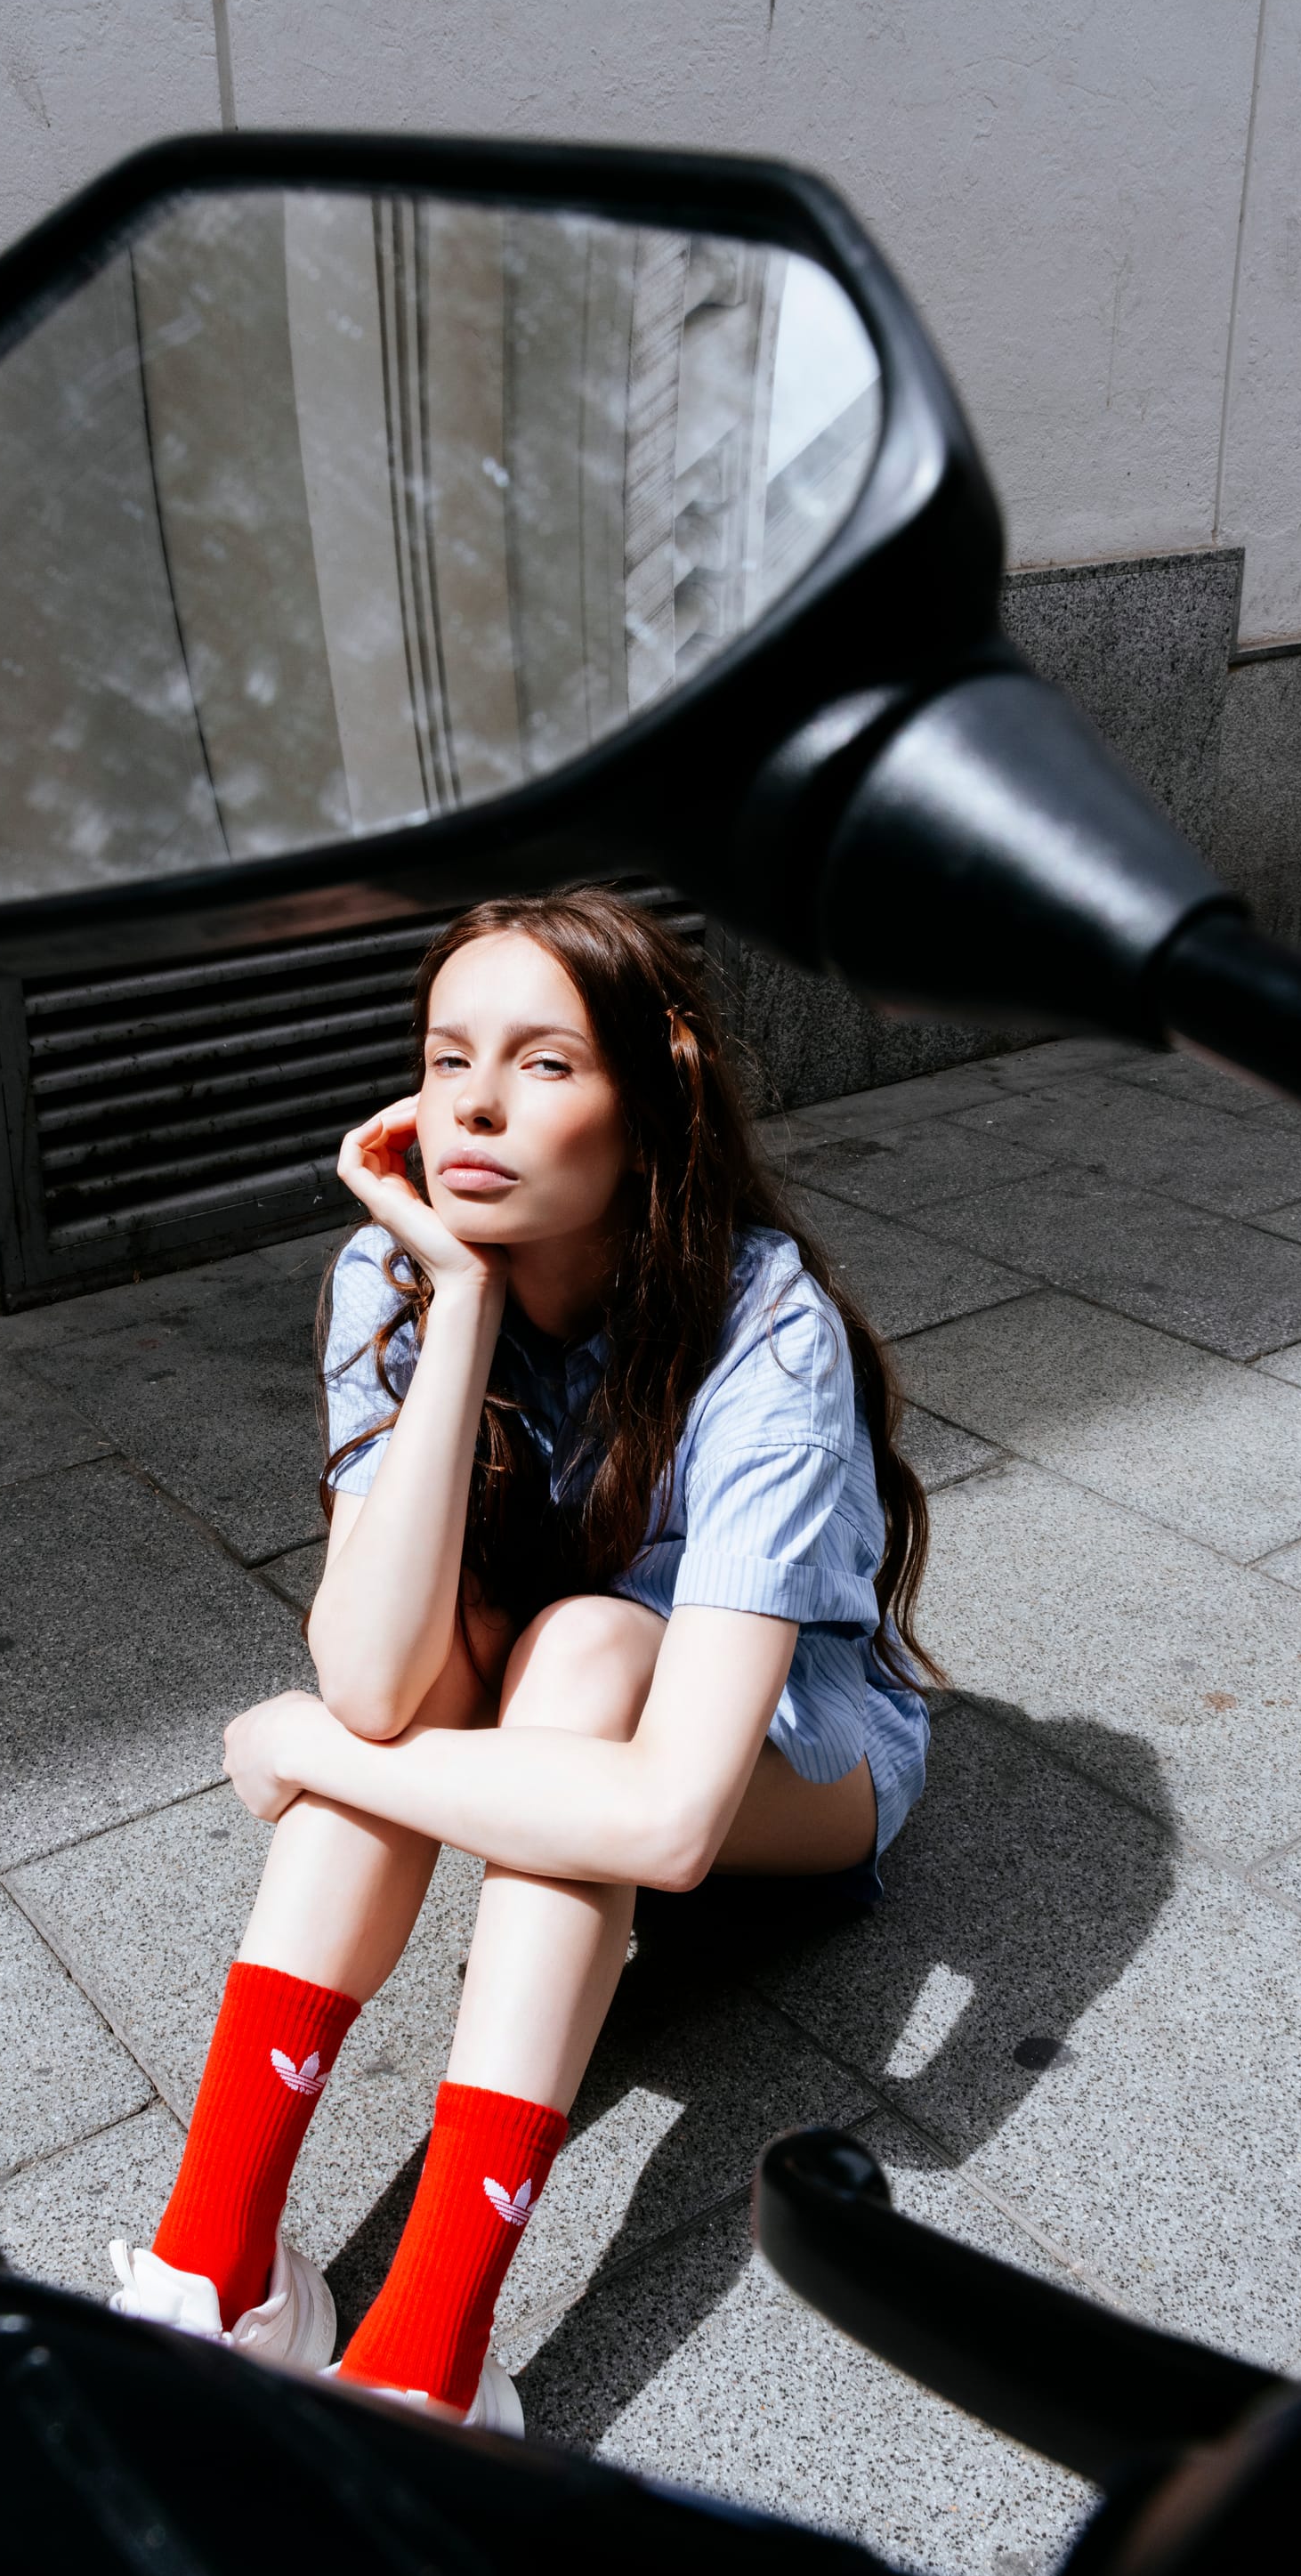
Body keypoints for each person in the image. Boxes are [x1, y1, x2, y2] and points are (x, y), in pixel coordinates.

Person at [108, 887, 937, 2432]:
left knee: (584, 1648)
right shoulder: (402, 1274)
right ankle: (213, 2274)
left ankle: (431, 2357)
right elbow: (374, 1683)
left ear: (653, 1096)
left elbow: (677, 1820)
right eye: (446, 1058)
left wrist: (312, 1754)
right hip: (570, 1729)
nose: (475, 1104)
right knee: (467, 1670)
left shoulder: (766, 1322)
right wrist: (470, 1297)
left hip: (796, 1768)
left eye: (546, 1064)